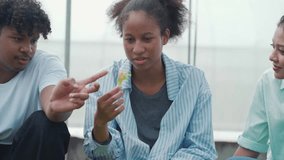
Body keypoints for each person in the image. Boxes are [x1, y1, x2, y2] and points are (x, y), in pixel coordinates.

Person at [83, 0, 217, 159]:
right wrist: (100, 125)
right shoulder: (104, 83)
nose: (137, 49)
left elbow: (202, 150)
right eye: (130, 39)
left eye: (147, 39)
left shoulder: (194, 81)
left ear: (165, 36)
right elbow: (100, 156)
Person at [0, 0, 107, 159]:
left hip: (23, 151)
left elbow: (51, 100)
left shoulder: (46, 64)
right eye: (17, 39)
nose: (28, 49)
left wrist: (55, 108)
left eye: (33, 40)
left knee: (46, 124)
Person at [229, 15, 284, 160]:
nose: (272, 56)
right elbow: (250, 145)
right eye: (273, 47)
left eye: (282, 51)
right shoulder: (268, 83)